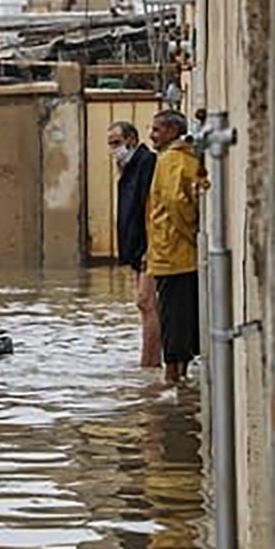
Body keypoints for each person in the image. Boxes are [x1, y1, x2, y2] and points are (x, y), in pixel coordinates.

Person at [146, 110, 202, 384]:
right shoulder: (181, 159)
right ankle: (180, 377)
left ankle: (173, 377)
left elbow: (176, 203)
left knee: (174, 319)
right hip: (177, 254)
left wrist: (191, 235)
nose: (152, 136)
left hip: (173, 255)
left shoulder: (171, 160)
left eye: (156, 130)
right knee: (180, 317)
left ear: (171, 131)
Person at [108, 121, 161, 368]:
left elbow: (150, 209)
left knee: (146, 302)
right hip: (136, 249)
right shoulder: (129, 167)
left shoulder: (146, 163)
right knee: (144, 305)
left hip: (147, 248)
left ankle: (150, 364)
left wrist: (148, 249)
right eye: (110, 145)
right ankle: (149, 361)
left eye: (117, 143)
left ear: (131, 139)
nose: (114, 150)